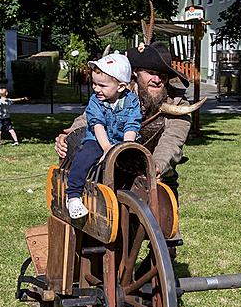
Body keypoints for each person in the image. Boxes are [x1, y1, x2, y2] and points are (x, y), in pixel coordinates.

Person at [55, 42, 192, 201]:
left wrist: (156, 167)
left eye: (162, 75)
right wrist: (69, 136)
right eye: (150, 72)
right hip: (112, 170)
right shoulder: (118, 93)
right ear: (136, 73)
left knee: (163, 218)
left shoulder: (179, 105)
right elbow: (90, 118)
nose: (157, 80)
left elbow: (172, 141)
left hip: (156, 178)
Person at [66, 53, 142, 219]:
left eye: (102, 85)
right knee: (85, 156)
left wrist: (126, 147)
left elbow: (132, 125)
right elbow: (97, 124)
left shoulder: (132, 102)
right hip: (98, 141)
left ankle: (133, 195)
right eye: (94, 83)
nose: (96, 89)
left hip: (121, 142)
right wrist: (107, 148)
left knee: (136, 161)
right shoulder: (95, 101)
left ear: (121, 87)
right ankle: (73, 196)